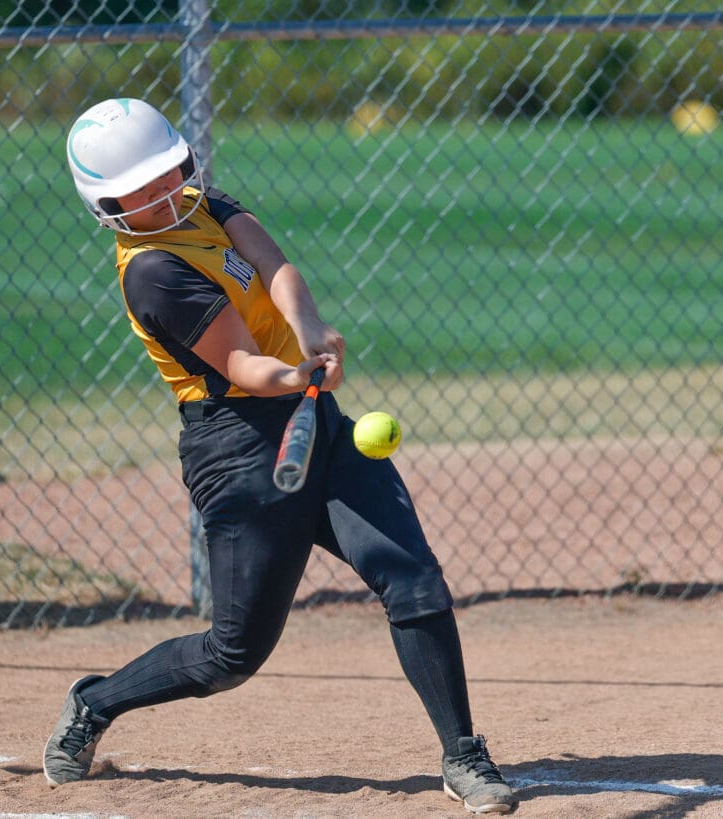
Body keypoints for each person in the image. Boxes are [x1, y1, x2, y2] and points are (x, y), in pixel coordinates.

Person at [45, 97, 517, 815]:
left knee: (411, 574)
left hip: (313, 424)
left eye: (170, 171)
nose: (164, 191)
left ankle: (463, 754)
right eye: (141, 188)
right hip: (234, 445)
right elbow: (237, 361)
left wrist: (312, 332)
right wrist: (296, 374)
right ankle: (95, 702)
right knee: (232, 654)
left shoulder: (201, 203)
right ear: (107, 204)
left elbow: (273, 265)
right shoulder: (151, 271)